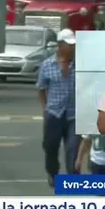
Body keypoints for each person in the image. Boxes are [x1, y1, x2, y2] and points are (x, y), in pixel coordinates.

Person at [38, 29, 80, 186]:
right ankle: (53, 174)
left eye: (74, 45)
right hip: (54, 113)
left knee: (73, 148)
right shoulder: (48, 65)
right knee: (50, 146)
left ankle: (73, 178)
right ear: (60, 46)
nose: (72, 48)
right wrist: (45, 109)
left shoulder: (81, 64)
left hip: (74, 114)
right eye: (69, 45)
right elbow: (41, 88)